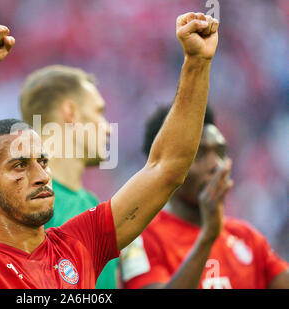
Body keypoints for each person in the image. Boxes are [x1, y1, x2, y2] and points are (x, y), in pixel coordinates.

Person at [0, 12, 220, 288]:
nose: (41, 176)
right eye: (19, 165)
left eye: (42, 161)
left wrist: (196, 62)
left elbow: (166, 168)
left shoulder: (81, 241)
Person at [0, 64, 118, 288]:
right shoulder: (19, 200)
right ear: (70, 111)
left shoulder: (91, 204)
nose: (108, 128)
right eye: (99, 113)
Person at [119, 105, 289, 289]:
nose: (216, 165)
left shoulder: (247, 238)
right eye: (198, 153)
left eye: (221, 152)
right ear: (165, 167)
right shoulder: (141, 239)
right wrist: (208, 237)